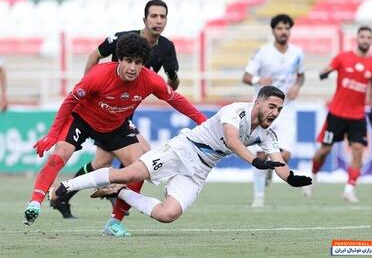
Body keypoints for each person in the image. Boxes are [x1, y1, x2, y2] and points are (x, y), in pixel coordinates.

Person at [54, 86, 312, 228]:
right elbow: (232, 141)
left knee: (168, 215)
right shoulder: (236, 112)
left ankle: (118, 192)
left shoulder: (268, 133)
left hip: (199, 170)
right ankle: (67, 186)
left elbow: (278, 162)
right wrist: (256, 162)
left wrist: (290, 179)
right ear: (258, 102)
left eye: (279, 109)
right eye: (272, 106)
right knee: (130, 172)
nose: (276, 112)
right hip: (183, 150)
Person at [24, 33, 207, 227]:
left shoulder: (150, 80)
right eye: (128, 61)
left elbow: (176, 99)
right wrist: (53, 134)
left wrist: (203, 121)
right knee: (59, 155)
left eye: (138, 62)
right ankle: (35, 203)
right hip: (83, 120)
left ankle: (115, 223)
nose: (132, 68)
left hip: (116, 125)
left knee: (139, 169)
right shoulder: (98, 75)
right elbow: (70, 101)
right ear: (119, 59)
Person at [50, 0, 179, 222]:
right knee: (139, 159)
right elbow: (94, 55)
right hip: (105, 112)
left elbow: (171, 85)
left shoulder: (167, 47)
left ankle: (66, 195)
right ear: (145, 19)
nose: (158, 21)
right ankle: (114, 199)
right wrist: (87, 90)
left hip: (125, 112)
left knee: (103, 163)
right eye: (154, 16)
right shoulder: (123, 38)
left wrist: (173, 78)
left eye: (162, 16)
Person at [303, 25, 372, 202]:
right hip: (337, 114)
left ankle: (349, 189)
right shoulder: (343, 57)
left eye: (369, 37)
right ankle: (313, 177)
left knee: (358, 151)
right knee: (324, 150)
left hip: (357, 116)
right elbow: (327, 68)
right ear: (357, 39)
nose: (365, 40)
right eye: (363, 37)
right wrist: (324, 73)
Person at [242, 14, 305, 207]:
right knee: (260, 155)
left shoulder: (297, 53)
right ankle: (259, 196)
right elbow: (246, 76)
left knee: (284, 155)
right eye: (279, 28)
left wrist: (297, 86)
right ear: (273, 31)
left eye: (286, 28)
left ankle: (270, 170)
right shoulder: (263, 53)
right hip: (262, 111)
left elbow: (301, 76)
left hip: (286, 110)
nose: (283, 31)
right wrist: (258, 80)